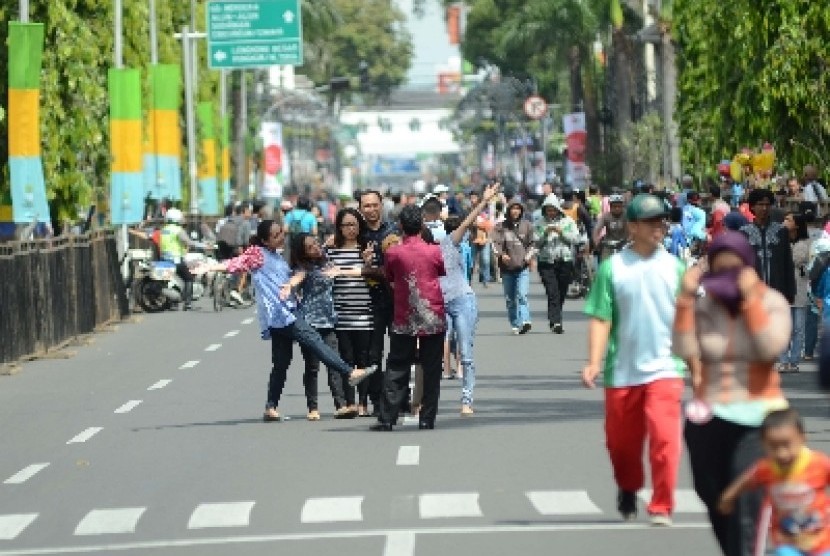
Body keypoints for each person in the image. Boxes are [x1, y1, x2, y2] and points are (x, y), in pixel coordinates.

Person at [673, 231, 791, 556]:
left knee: (747, 507)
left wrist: (750, 299)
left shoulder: (772, 302)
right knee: (714, 499)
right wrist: (684, 300)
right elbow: (683, 348)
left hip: (759, 419)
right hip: (710, 417)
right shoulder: (705, 306)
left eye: (734, 270)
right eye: (719, 270)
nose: (728, 279)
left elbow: (769, 348)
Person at [582, 193, 686, 526]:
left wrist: (697, 363)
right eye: (652, 222)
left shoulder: (675, 267)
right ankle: (628, 486)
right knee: (621, 445)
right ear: (633, 227)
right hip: (622, 371)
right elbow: (601, 317)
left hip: (666, 369)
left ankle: (661, 504)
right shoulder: (613, 269)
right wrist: (594, 362)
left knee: (665, 439)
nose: (659, 227)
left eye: (662, 221)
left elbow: (687, 320)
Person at [210, 220, 376, 421]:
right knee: (314, 342)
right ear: (264, 240)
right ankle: (350, 372)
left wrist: (291, 284)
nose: (281, 236)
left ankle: (271, 407)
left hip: (279, 317)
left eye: (281, 232)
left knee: (281, 363)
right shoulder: (258, 254)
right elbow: (235, 264)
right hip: (284, 315)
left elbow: (300, 271)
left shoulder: (278, 256)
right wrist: (210, 267)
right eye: (276, 235)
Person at [371, 205, 446, 431]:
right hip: (432, 313)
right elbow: (440, 271)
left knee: (397, 366)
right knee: (432, 368)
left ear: (401, 226)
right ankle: (427, 418)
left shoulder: (393, 253)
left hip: (404, 315)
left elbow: (390, 276)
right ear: (422, 225)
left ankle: (387, 418)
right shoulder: (434, 251)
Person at [428, 183, 499, 415]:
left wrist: (484, 201)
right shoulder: (419, 252)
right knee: (436, 352)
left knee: (466, 354)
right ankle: (427, 401)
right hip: (439, 304)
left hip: (462, 300)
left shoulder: (450, 242)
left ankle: (467, 400)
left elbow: (467, 222)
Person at [719, 409, 830, 556]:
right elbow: (747, 479)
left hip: (820, 541)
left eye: (787, 445)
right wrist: (729, 497)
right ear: (763, 445)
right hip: (787, 541)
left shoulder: (818, 463)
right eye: (773, 447)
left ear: (802, 438)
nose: (781, 453)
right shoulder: (766, 468)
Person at [288, 233, 359, 420]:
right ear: (303, 252)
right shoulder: (303, 268)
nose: (316, 248)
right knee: (312, 367)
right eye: (310, 247)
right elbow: (295, 280)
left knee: (333, 362)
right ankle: (312, 407)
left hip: (329, 321)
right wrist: (290, 287)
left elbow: (332, 246)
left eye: (316, 243)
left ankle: (341, 405)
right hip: (309, 323)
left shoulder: (326, 260)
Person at [358, 190, 398, 416]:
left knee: (398, 351)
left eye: (375, 205)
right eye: (367, 206)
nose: (371, 210)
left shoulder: (393, 232)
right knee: (372, 355)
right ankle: (375, 400)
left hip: (393, 300)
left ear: (381, 205)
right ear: (361, 208)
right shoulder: (357, 235)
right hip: (367, 302)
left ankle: (397, 398)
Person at [740, 188, 796, 305]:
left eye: (767, 205)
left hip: (777, 292)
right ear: (752, 207)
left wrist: (791, 291)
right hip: (752, 293)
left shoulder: (781, 231)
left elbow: (788, 263)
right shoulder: (744, 233)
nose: (764, 208)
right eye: (760, 204)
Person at [535, 194, 580, 334]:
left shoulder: (568, 221)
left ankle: (555, 316)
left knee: (561, 291)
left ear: (558, 209)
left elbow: (575, 239)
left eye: (553, 210)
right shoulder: (540, 222)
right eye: (548, 210)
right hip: (546, 262)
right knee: (552, 291)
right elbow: (535, 241)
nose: (551, 213)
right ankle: (556, 322)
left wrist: (561, 233)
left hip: (564, 260)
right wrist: (545, 234)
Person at [491, 200, 534, 334]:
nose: (515, 211)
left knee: (522, 295)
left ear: (521, 211)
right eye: (513, 208)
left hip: (522, 268)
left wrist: (528, 257)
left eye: (518, 208)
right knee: (510, 299)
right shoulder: (500, 226)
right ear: (508, 210)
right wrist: (501, 254)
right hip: (507, 269)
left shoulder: (527, 225)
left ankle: (526, 321)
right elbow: (494, 243)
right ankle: (515, 323)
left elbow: (533, 244)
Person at [779, 213, 812, 373]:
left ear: (797, 224)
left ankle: (794, 360)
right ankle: (783, 360)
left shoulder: (806, 242)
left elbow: (799, 260)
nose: (785, 222)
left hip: (799, 288)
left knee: (798, 328)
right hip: (783, 288)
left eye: (788, 220)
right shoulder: (779, 240)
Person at [159, 208, 205, 311]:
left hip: (164, 259)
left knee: (173, 280)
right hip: (175, 260)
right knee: (189, 278)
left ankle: (173, 304)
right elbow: (189, 242)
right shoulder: (178, 230)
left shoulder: (164, 229)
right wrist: (202, 245)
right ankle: (188, 304)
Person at [593, 194, 628, 260]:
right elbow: (597, 229)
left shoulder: (626, 215)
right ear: (610, 206)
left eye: (619, 206)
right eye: (614, 206)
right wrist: (596, 242)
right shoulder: (605, 216)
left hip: (624, 244)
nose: (617, 208)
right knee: (605, 264)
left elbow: (633, 229)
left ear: (622, 206)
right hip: (608, 245)